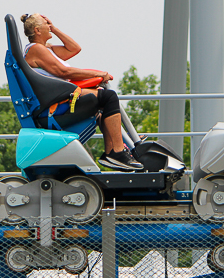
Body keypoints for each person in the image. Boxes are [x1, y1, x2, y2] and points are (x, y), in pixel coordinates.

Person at [20, 13, 143, 171]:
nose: (49, 26)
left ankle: (113, 152)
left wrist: (55, 29)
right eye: (46, 25)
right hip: (55, 105)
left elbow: (74, 48)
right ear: (37, 30)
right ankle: (117, 152)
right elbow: (64, 72)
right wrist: (98, 74)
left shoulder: (45, 48)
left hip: (60, 98)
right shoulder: (36, 49)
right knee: (108, 97)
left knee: (102, 103)